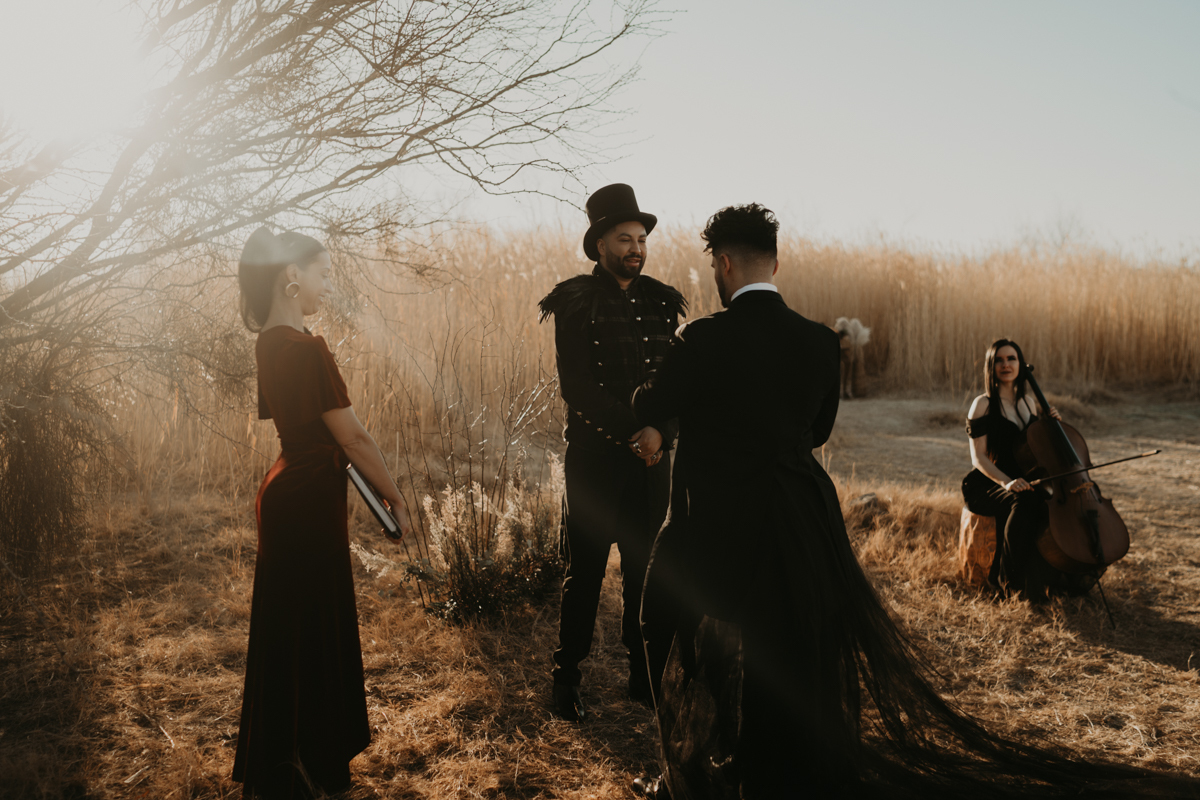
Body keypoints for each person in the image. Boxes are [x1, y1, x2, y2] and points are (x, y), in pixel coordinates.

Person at [630, 205, 1200, 799]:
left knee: (662, 618)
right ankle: (770, 765)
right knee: (790, 643)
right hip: (802, 517)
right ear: (775, 261)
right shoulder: (823, 343)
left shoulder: (701, 337)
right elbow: (817, 432)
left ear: (721, 265)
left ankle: (691, 767)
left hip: (717, 518)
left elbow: (651, 403)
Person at [232, 228, 413, 799]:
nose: (327, 284)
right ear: (293, 277)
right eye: (323, 273)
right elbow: (353, 438)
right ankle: (313, 760)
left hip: (285, 486)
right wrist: (395, 496)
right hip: (310, 497)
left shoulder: (270, 341)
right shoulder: (308, 348)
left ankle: (284, 762)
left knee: (288, 624)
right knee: (316, 622)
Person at [537, 183, 686, 721]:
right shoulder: (574, 300)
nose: (636, 248)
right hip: (597, 460)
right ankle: (565, 680)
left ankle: (644, 679)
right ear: (599, 244)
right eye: (624, 238)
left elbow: (675, 383)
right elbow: (576, 387)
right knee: (587, 572)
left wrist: (662, 433)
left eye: (641, 238)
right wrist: (637, 431)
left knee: (647, 570)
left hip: (651, 463)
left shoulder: (663, 302)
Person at [962, 339, 1064, 601]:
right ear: (991, 366)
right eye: (999, 360)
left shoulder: (1029, 403)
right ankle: (1006, 582)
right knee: (1025, 500)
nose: (1005, 365)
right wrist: (1007, 483)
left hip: (1023, 479)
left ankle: (1048, 577)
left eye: (1011, 359)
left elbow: (1035, 448)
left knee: (1046, 501)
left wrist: (1051, 425)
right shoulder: (982, 404)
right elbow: (978, 458)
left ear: (1020, 364)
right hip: (988, 482)